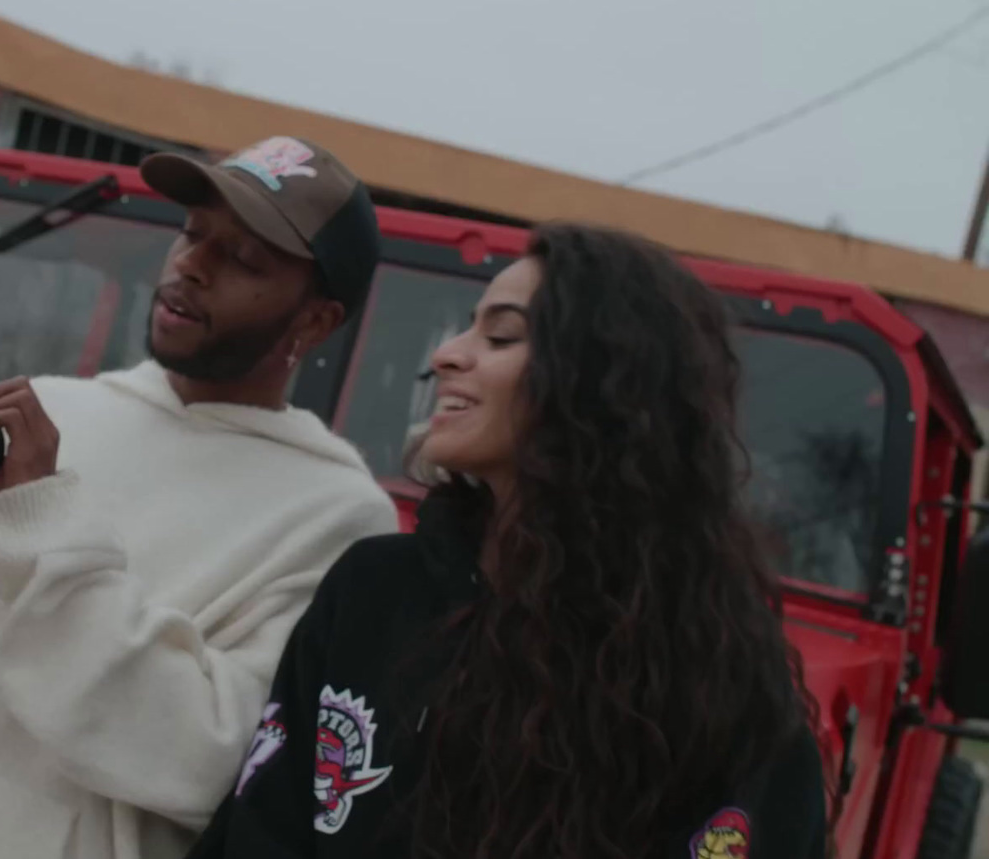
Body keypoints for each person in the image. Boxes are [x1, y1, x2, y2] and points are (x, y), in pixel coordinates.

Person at [0, 136, 399, 859]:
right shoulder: (54, 411)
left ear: (315, 321)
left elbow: (207, 763)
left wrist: (41, 529)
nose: (192, 266)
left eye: (243, 259)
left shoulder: (340, 517)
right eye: (191, 233)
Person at [189, 223, 830, 859]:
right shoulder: (375, 587)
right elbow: (259, 826)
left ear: (603, 380)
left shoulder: (716, 684)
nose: (447, 355)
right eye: (468, 327)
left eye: (500, 335)